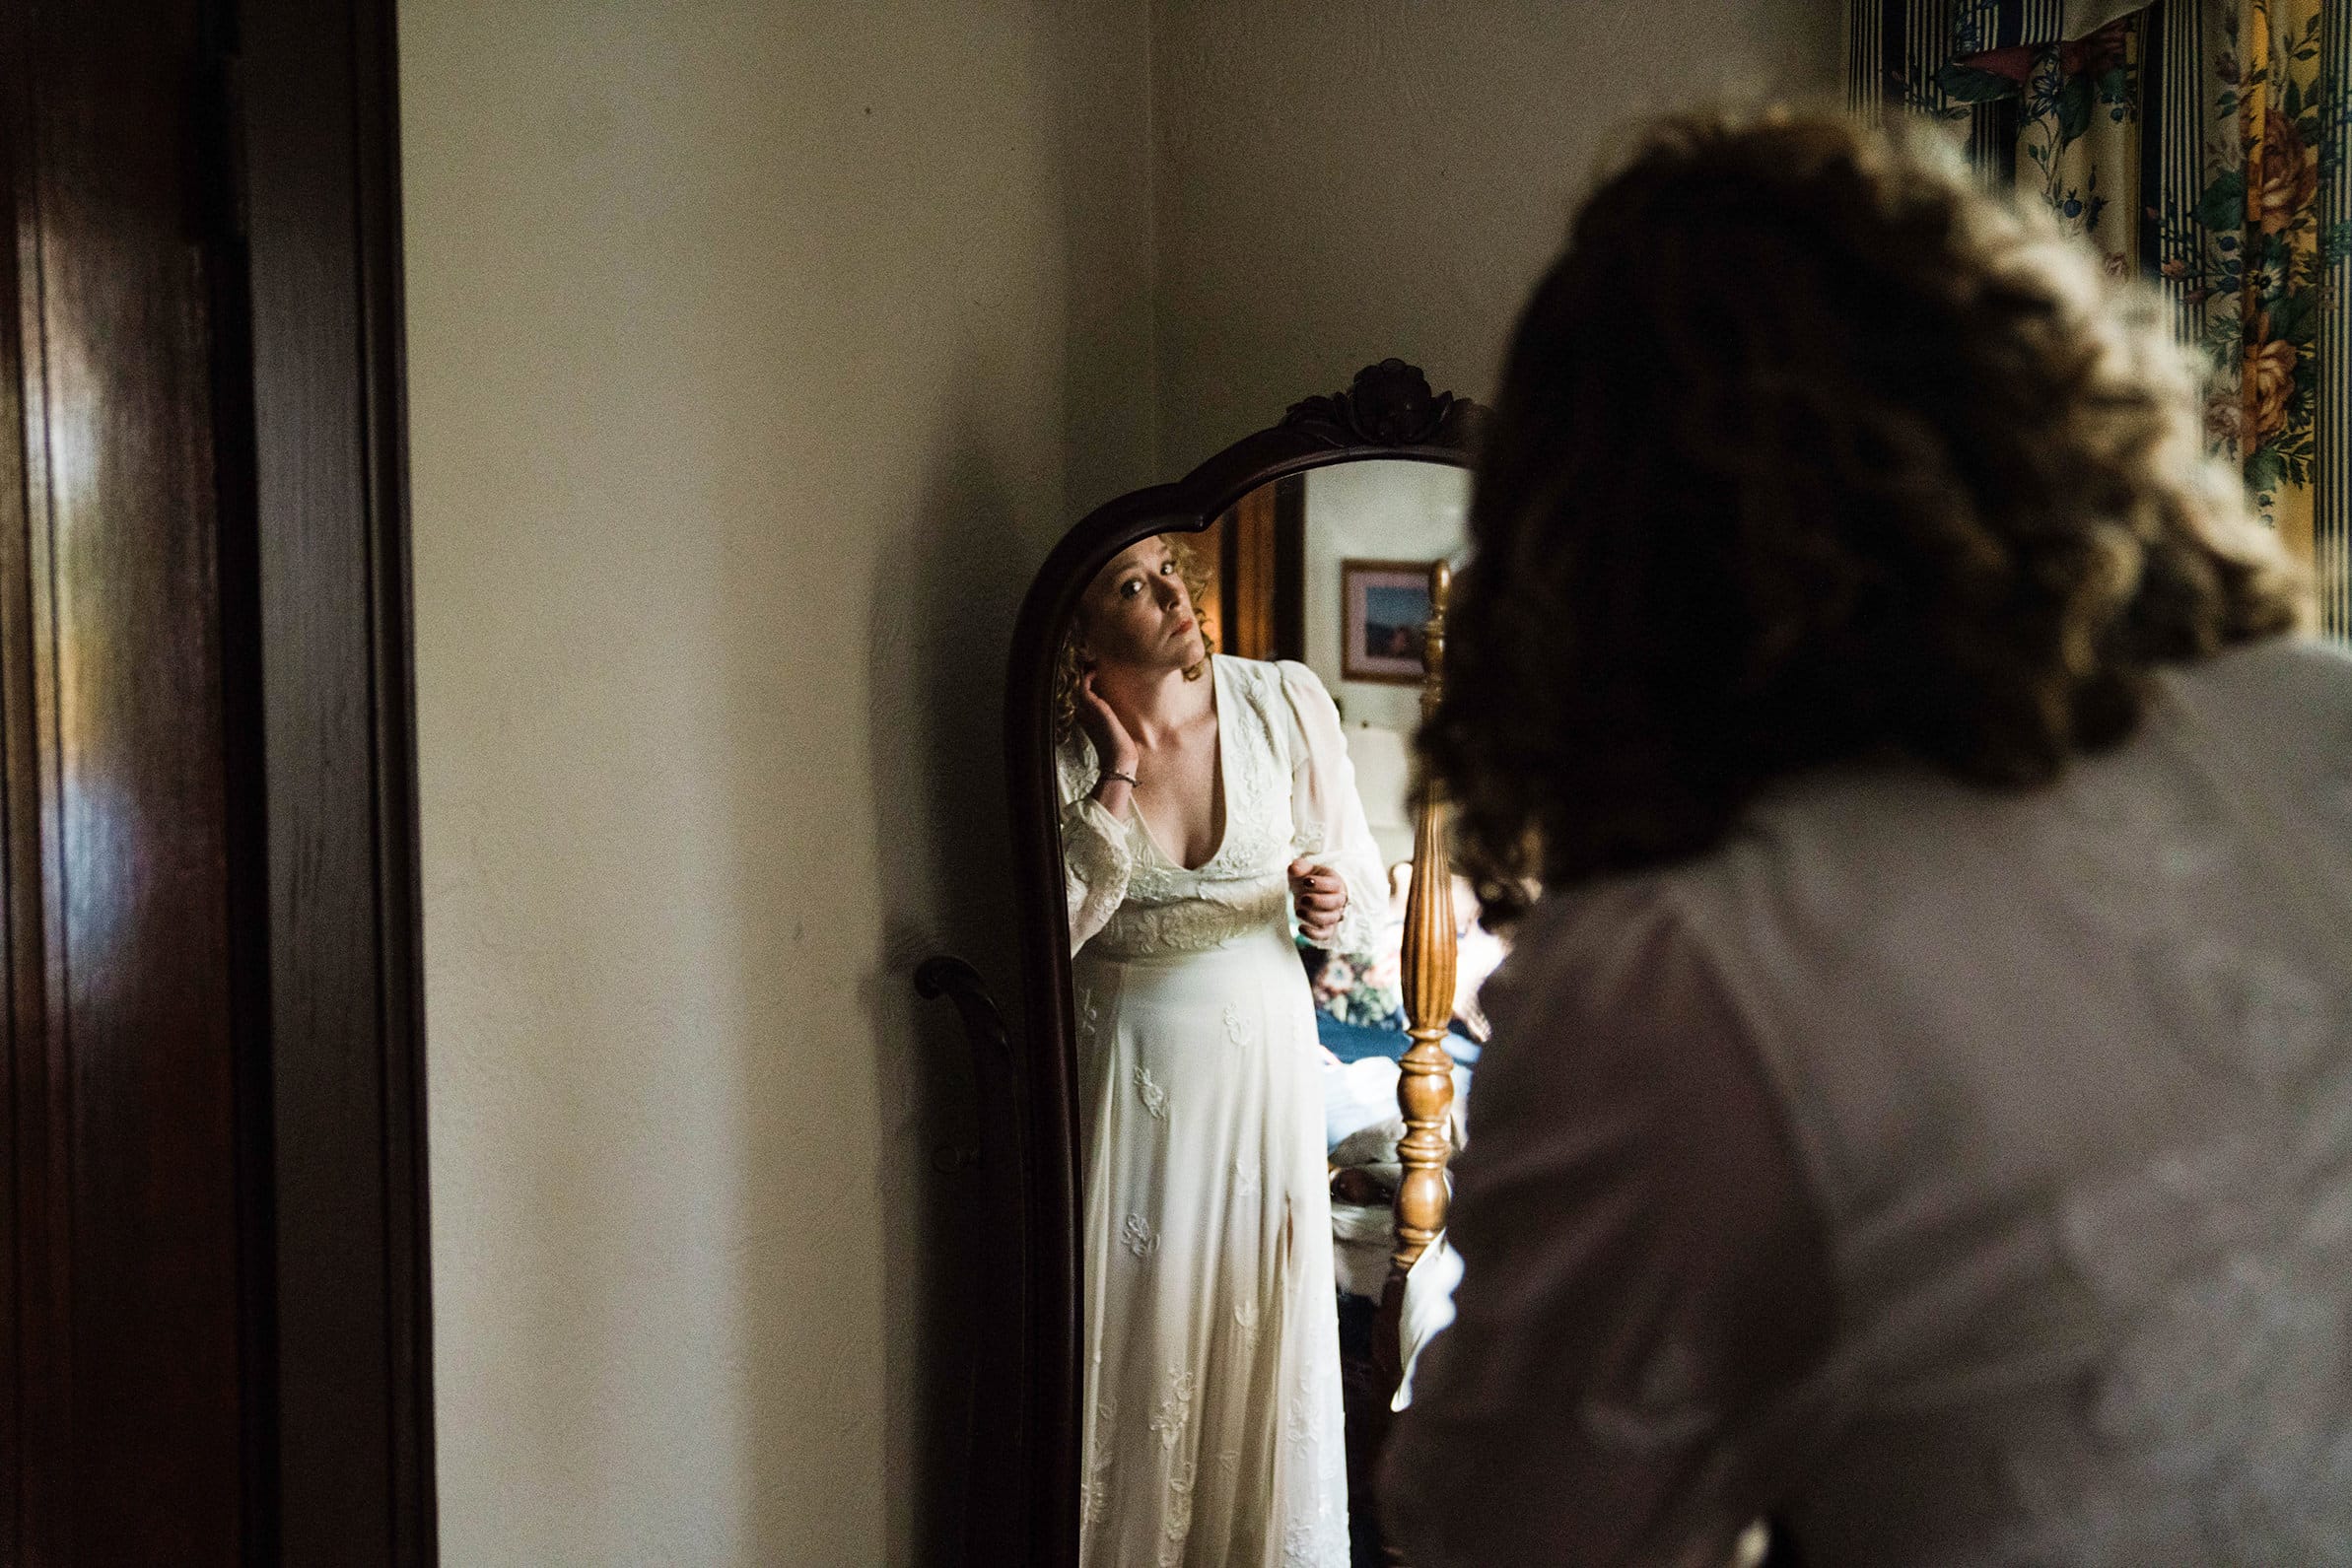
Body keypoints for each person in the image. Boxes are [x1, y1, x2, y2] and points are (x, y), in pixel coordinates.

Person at [1381, 108, 2352, 1567]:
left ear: (1602, 563)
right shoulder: (2320, 715)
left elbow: (1501, 1530)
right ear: (2049, 410)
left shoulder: (1689, 972)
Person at [1058, 533, 1386, 1568]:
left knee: (1259, 1328)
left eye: (1169, 571)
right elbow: (1050, 925)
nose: (1171, 595)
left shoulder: (1282, 702)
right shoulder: (1060, 745)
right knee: (1138, 1334)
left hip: (1267, 1070)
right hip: (1130, 1074)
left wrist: (1331, 901)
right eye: (1133, 585)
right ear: (1086, 629)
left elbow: (1366, 898)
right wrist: (1115, 775)